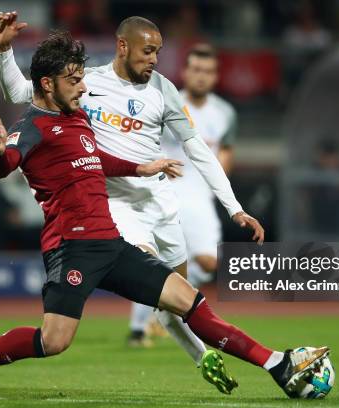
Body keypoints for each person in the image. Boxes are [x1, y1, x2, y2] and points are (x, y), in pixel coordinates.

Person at [0, 31, 329, 402]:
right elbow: (6, 163)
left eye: (82, 77)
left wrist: (139, 167)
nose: (83, 87)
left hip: (111, 243)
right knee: (54, 341)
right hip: (71, 248)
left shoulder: (77, 116)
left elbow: (91, 158)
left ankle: (277, 364)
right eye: (73, 80)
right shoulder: (31, 127)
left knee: (190, 303)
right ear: (47, 84)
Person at [0, 11, 264, 392]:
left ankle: (204, 354)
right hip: (115, 207)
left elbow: (199, 150)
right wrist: (3, 51)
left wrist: (233, 206)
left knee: (177, 301)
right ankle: (202, 355)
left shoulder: (164, 90)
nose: (154, 58)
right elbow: (22, 93)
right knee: (149, 279)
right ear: (123, 46)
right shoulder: (87, 84)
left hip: (161, 204)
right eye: (148, 50)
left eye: (157, 51)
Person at [132, 44, 237, 340]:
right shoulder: (166, 100)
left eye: (208, 71)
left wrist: (216, 185)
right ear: (185, 72)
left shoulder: (225, 112)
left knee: (207, 262)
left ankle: (159, 312)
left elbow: (226, 152)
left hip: (199, 195)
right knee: (154, 258)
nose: (201, 76)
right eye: (196, 69)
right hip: (166, 188)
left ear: (215, 76)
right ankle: (139, 328)